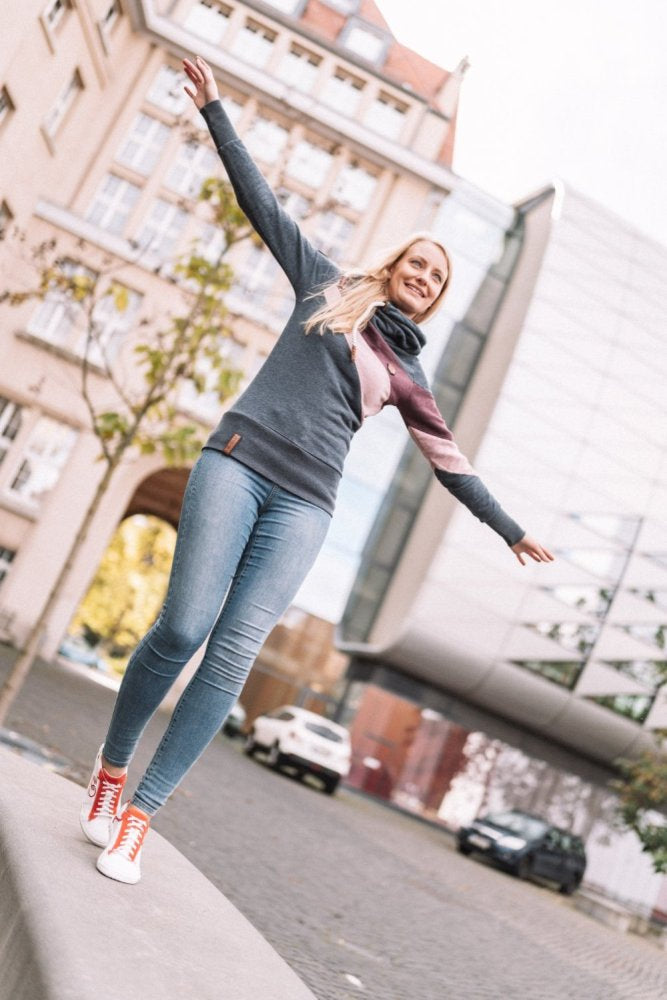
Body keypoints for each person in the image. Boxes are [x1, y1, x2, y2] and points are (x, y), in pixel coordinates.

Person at [80, 56, 554, 884]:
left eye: (437, 278)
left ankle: (140, 816)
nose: (424, 275)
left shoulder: (410, 380)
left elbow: (451, 465)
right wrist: (217, 112)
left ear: (435, 300)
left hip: (305, 506)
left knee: (231, 658)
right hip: (237, 460)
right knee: (185, 626)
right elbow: (262, 203)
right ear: (397, 263)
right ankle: (111, 768)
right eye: (418, 262)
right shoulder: (324, 286)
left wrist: (511, 530)